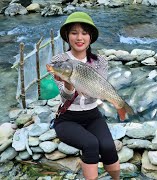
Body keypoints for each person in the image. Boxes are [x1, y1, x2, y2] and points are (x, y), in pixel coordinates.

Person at [51, 12, 120, 180]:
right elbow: (66, 97)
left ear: (91, 37)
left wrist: (107, 97)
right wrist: (68, 83)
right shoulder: (60, 60)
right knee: (90, 144)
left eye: (84, 33)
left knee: (108, 147)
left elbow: (99, 90)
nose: (79, 37)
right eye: (74, 32)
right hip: (67, 118)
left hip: (92, 116)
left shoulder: (100, 61)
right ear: (67, 36)